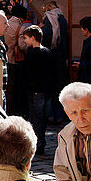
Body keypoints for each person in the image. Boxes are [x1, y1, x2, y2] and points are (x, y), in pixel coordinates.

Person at [21, 25, 57, 155]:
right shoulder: (47, 52)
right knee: (43, 118)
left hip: (36, 90)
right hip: (46, 90)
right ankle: (41, 142)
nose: (25, 41)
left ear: (32, 38)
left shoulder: (31, 53)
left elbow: (30, 73)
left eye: (26, 38)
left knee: (36, 118)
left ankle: (37, 143)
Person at [4, 4, 31, 118]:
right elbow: (22, 45)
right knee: (17, 88)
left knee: (7, 88)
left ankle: (8, 110)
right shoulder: (21, 28)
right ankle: (17, 111)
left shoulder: (4, 24)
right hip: (16, 60)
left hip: (5, 59)